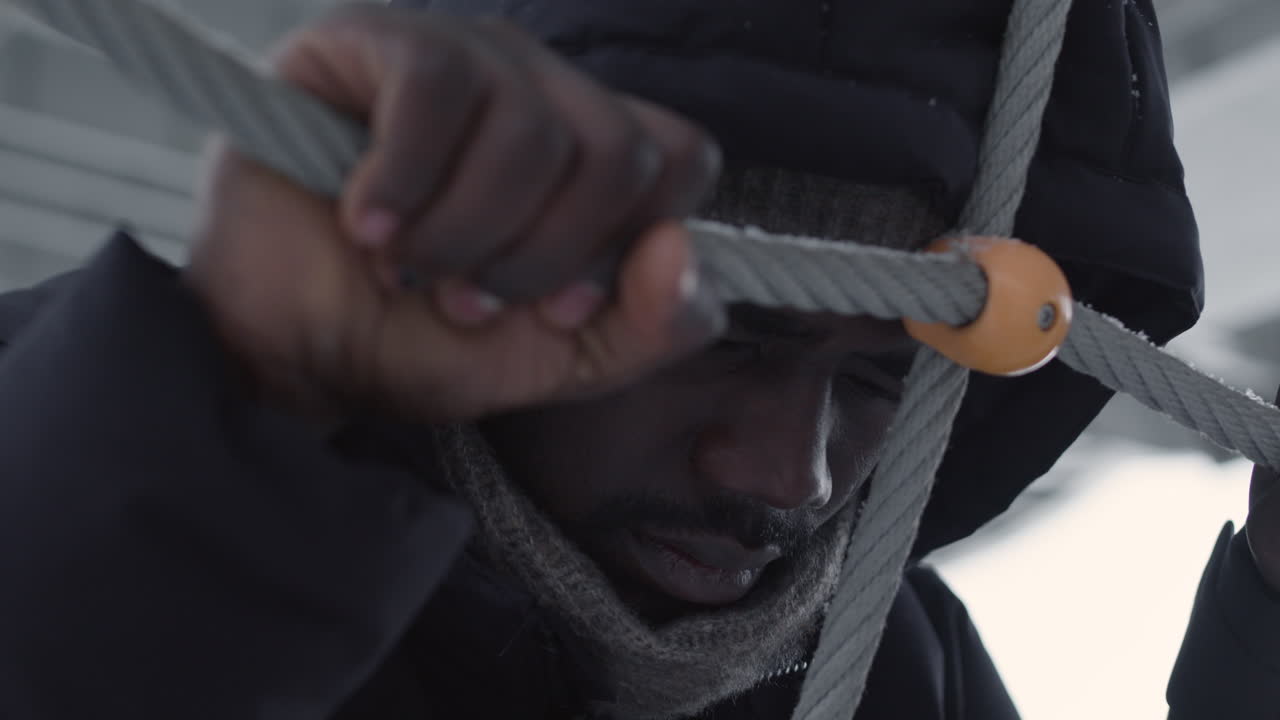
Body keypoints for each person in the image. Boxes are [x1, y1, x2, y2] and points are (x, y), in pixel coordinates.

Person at [0, 0, 1277, 718]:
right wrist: (255, 394)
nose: (792, 482)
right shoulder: (47, 467)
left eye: (880, 375)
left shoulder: (887, 665)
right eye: (715, 331)